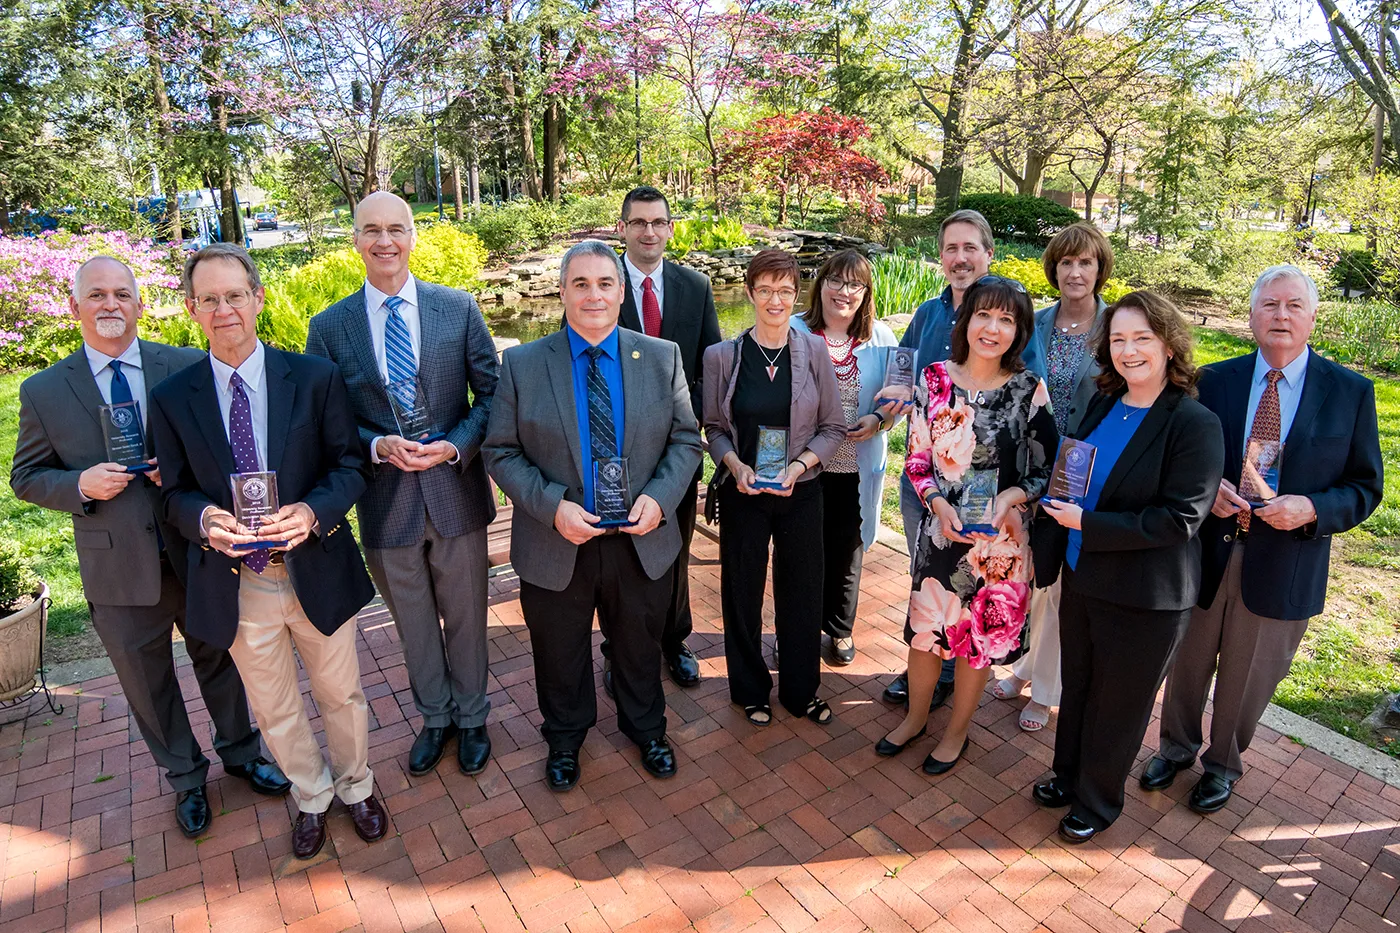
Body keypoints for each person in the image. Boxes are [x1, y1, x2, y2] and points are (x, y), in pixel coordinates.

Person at [10, 256, 289, 839]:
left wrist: (187, 475)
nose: (110, 305)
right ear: (75, 306)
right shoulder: (43, 390)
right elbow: (26, 475)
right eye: (96, 295)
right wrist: (79, 485)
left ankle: (242, 752)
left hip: (195, 549)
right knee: (146, 678)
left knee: (219, 656)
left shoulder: (185, 366)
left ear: (140, 304)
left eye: (121, 294)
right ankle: (186, 777)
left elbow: (223, 445)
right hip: (118, 567)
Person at [149, 243, 383, 860]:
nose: (224, 309)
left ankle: (357, 786)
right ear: (191, 309)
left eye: (234, 295)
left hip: (314, 568)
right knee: (275, 706)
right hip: (237, 581)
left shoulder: (312, 378)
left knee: (342, 694)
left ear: (257, 298)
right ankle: (311, 796)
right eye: (209, 299)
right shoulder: (174, 398)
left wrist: (312, 510)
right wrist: (203, 519)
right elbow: (171, 492)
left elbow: (350, 467)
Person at [1143, 265, 1382, 813]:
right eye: (1269, 305)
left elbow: (1365, 488)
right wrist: (1207, 490)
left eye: (1293, 306)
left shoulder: (1350, 393)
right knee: (1187, 659)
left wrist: (1312, 507)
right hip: (1206, 550)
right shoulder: (1214, 382)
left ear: (1312, 317)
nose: (1281, 316)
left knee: (1249, 676)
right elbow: (1176, 457)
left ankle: (1222, 764)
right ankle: (1175, 747)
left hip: (1284, 560)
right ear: (1251, 317)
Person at [483, 240, 702, 791]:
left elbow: (686, 441)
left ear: (622, 291)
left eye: (605, 284)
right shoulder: (524, 365)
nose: (593, 295)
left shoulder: (661, 356)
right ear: (562, 292)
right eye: (580, 284)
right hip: (558, 539)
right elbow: (499, 451)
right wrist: (553, 506)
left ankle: (647, 727)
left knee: (638, 642)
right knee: (559, 649)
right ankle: (564, 738)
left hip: (640, 535)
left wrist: (660, 497)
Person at [306, 192, 497, 779]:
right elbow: (326, 418)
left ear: (413, 237)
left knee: (466, 614)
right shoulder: (330, 326)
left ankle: (472, 717)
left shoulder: (456, 308)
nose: (384, 241)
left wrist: (458, 444)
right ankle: (434, 717)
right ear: (356, 240)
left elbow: (491, 395)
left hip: (455, 490)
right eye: (371, 231)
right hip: (385, 501)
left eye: (396, 229)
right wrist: (374, 444)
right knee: (412, 621)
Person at [1032, 291, 1224, 844]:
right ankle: (1066, 776)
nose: (1128, 350)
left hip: (1146, 596)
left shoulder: (1193, 422)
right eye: (1118, 339)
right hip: (1083, 575)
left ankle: (1097, 801)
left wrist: (1087, 524)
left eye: (1142, 338)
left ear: (1168, 345)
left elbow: (1180, 518)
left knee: (1119, 704)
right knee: (1081, 687)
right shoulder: (1104, 401)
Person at [875, 276, 1057, 773]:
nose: (992, 328)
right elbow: (916, 458)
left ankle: (956, 734)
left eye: (1006, 319)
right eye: (984, 315)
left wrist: (1012, 497)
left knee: (975, 642)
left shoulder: (1028, 390)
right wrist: (936, 503)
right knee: (927, 634)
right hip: (941, 533)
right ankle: (914, 720)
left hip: (999, 545)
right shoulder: (933, 378)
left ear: (1018, 331)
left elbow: (1047, 467)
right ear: (966, 319)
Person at [702, 248, 846, 727]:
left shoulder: (816, 353)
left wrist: (800, 466)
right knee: (741, 590)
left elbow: (832, 428)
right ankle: (749, 689)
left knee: (803, 591)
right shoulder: (722, 356)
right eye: (765, 289)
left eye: (785, 290)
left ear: (796, 294)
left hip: (800, 492)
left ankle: (801, 691)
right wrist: (734, 464)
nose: (775, 300)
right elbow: (714, 427)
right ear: (749, 292)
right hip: (743, 493)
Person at [600, 185, 721, 696]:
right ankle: (619, 648)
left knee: (674, 545)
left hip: (677, 446)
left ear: (670, 228)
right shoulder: (602, 286)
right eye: (638, 222)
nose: (649, 231)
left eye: (658, 222)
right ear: (622, 228)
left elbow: (712, 363)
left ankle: (675, 640)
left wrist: (714, 437)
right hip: (614, 449)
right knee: (615, 553)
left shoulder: (694, 286)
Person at [878, 209, 996, 711]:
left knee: (966, 579)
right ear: (941, 256)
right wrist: (888, 405)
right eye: (951, 248)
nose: (960, 258)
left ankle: (951, 669)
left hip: (977, 485)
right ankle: (926, 665)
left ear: (988, 254)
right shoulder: (927, 313)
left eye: (970, 248)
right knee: (925, 573)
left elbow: (1022, 390)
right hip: (923, 479)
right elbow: (901, 376)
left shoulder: (1005, 312)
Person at [998, 223, 1113, 732]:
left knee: (1063, 582)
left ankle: (1046, 689)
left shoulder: (1115, 327)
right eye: (1066, 262)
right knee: (1036, 575)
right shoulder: (1036, 324)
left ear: (1099, 268)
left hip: (1088, 475)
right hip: (1031, 468)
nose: (1075, 271)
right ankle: (1026, 665)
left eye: (1085, 262)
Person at [790, 249, 900, 665]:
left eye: (855, 284)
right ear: (821, 285)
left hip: (856, 468)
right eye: (835, 280)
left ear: (866, 292)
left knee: (847, 551)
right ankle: (796, 628)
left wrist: (877, 420)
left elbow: (896, 402)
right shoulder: (795, 331)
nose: (844, 291)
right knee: (801, 551)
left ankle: (839, 629)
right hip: (805, 466)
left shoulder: (882, 339)